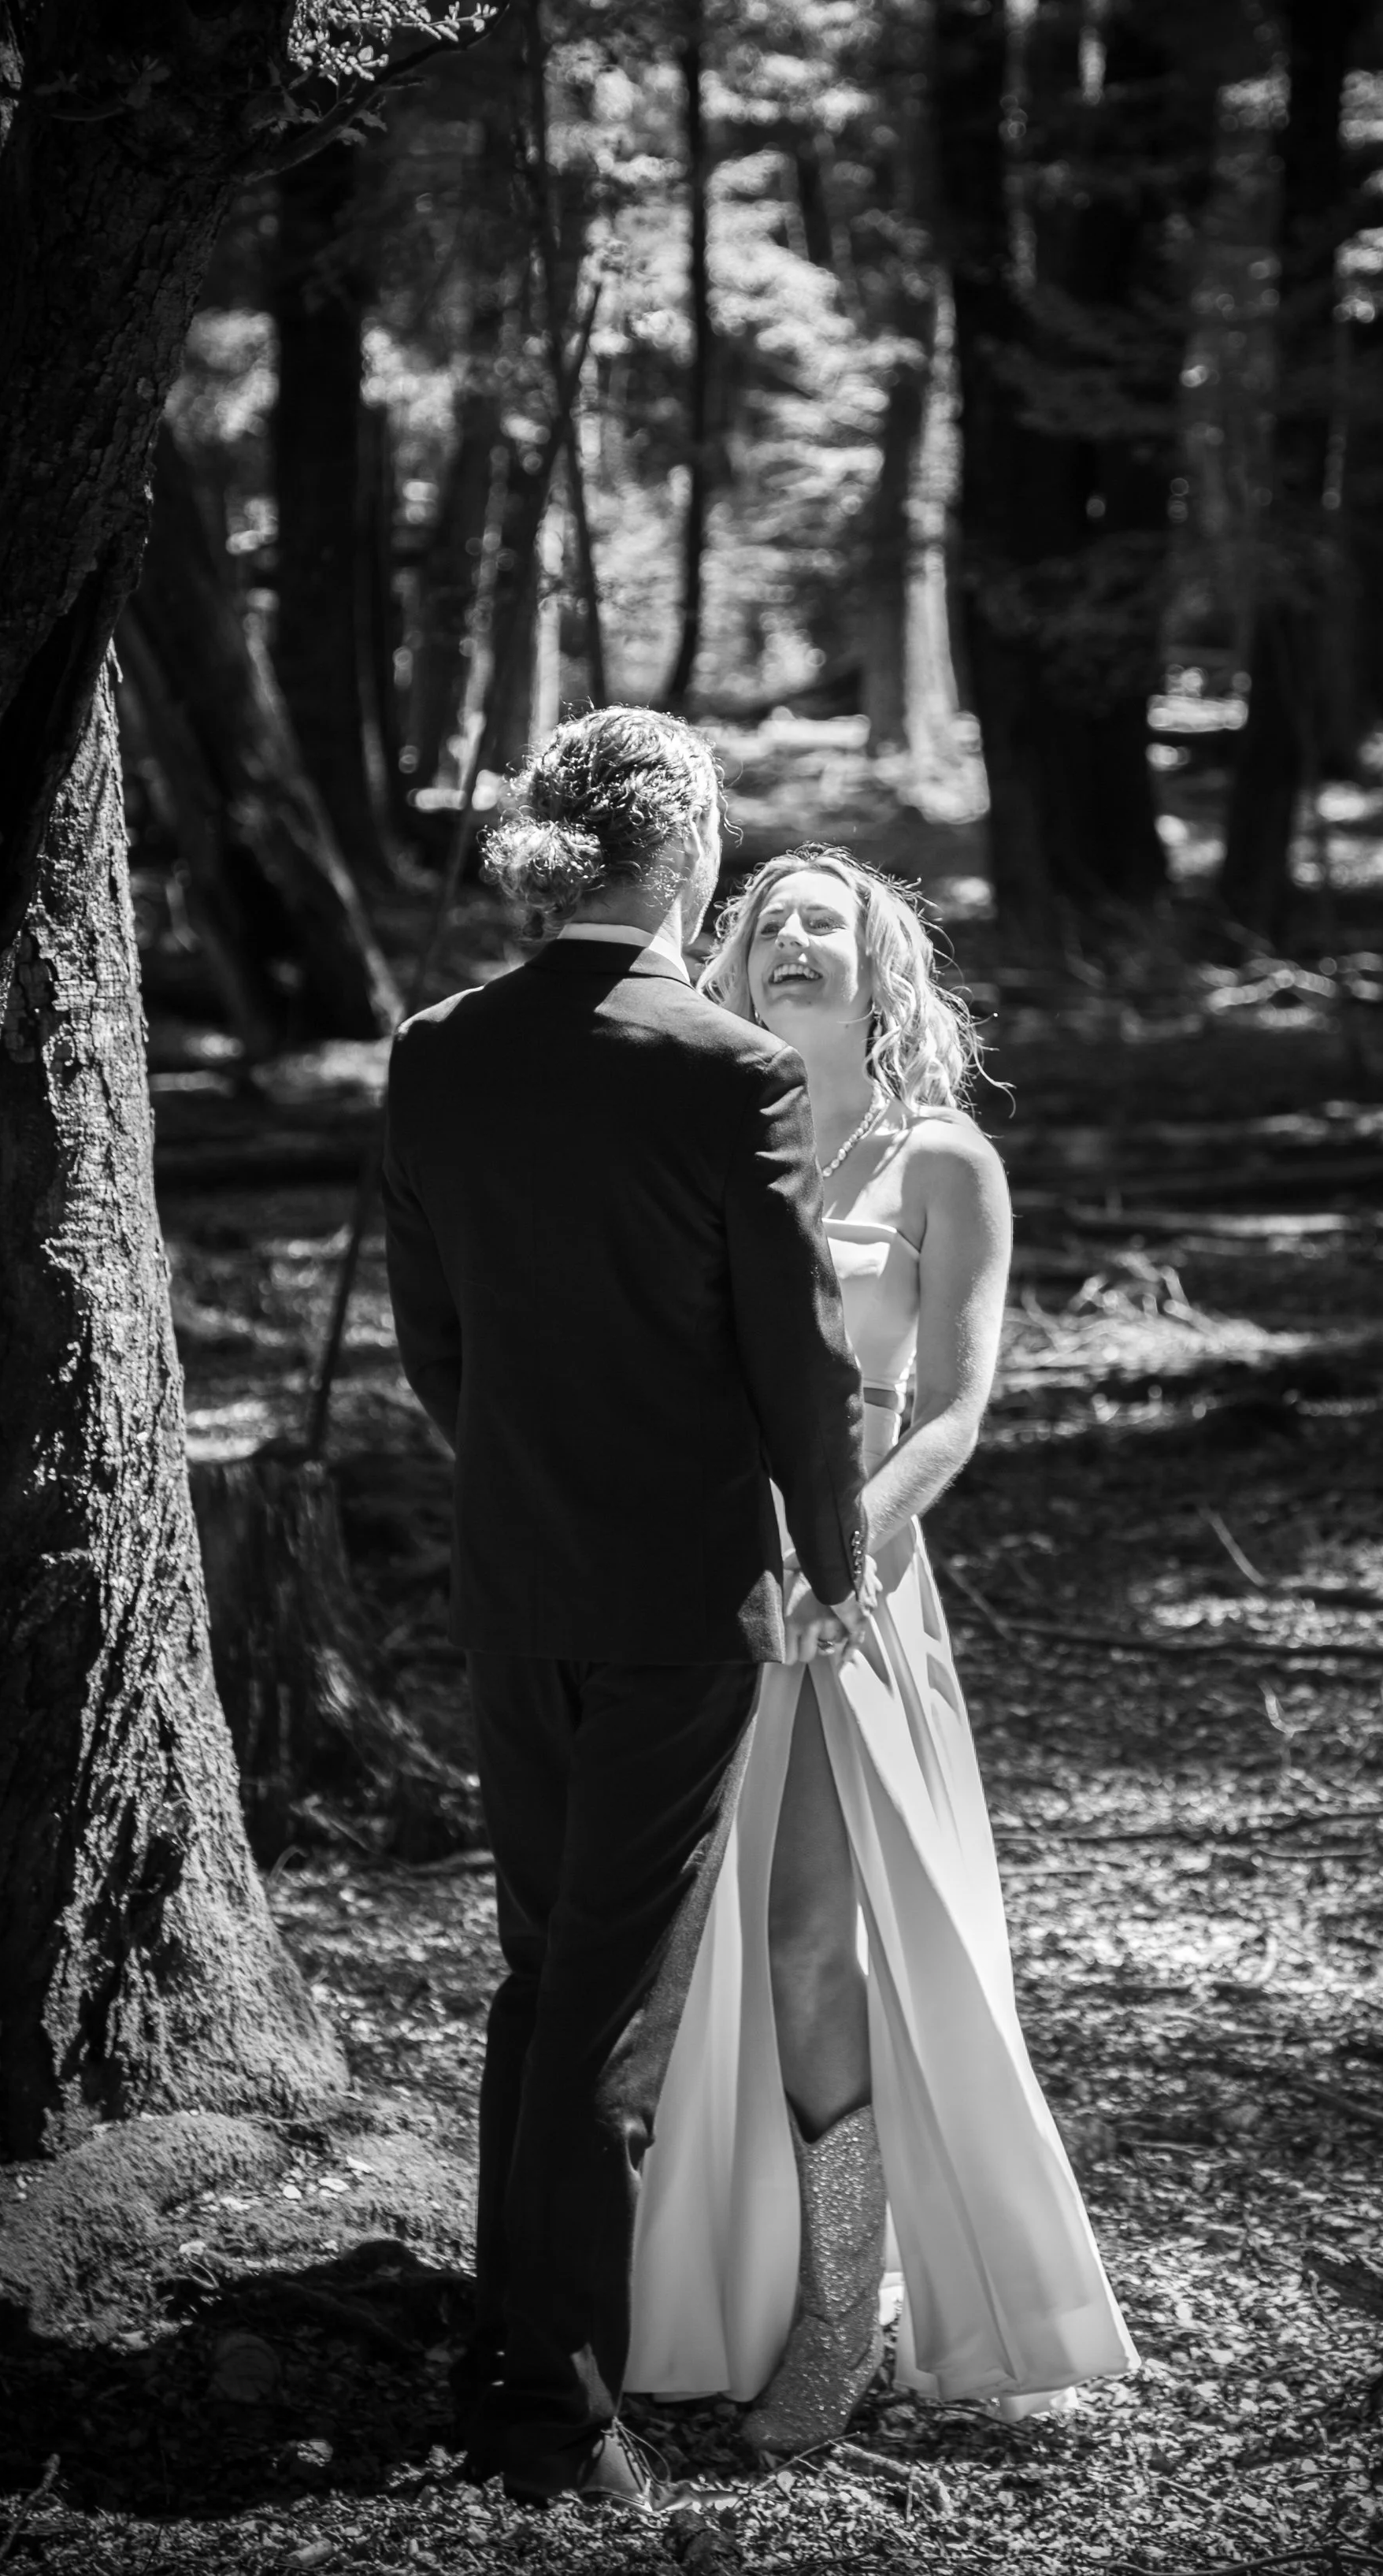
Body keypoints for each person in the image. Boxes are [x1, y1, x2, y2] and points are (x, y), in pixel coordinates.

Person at [380, 718, 872, 2512]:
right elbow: (796, 1358)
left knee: (543, 1970)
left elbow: (437, 1347)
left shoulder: (436, 1054)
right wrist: (833, 1561)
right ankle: (543, 2407)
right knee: (605, 2005)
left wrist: (532, 1475)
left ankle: (509, 2332)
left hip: (510, 1579)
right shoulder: (726, 1069)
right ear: (691, 855)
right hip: (681, 1593)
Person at [625, 848, 1140, 2450]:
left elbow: (957, 1409)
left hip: (848, 1591)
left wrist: (836, 1562)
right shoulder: (708, 1143)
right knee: (670, 1954)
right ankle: (692, 2273)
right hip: (695, 1583)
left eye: (822, 927)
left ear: (881, 973)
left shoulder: (942, 1163)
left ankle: (844, 2308)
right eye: (763, 924)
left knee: (802, 1943)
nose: (789, 945)